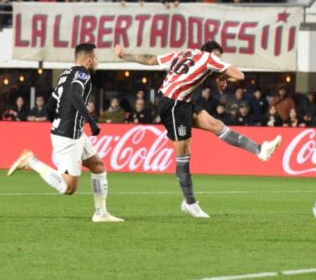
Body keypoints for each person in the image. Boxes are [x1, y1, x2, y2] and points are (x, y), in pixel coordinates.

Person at [115, 41, 281, 218]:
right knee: (183, 153)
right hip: (172, 105)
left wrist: (124, 55)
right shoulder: (209, 58)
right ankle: (189, 202)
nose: (219, 60)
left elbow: (151, 60)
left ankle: (259, 150)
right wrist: (222, 76)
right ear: (209, 52)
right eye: (218, 55)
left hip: (179, 102)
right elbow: (239, 75)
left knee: (216, 125)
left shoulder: (183, 54)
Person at [8, 43, 123, 223]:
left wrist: (59, 120)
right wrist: (91, 122)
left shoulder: (66, 74)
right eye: (97, 59)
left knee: (98, 166)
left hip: (71, 131)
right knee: (68, 188)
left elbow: (49, 106)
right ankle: (32, 161)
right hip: (68, 134)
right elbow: (75, 96)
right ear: (89, 59)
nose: (98, 63)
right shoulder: (83, 74)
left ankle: (101, 213)